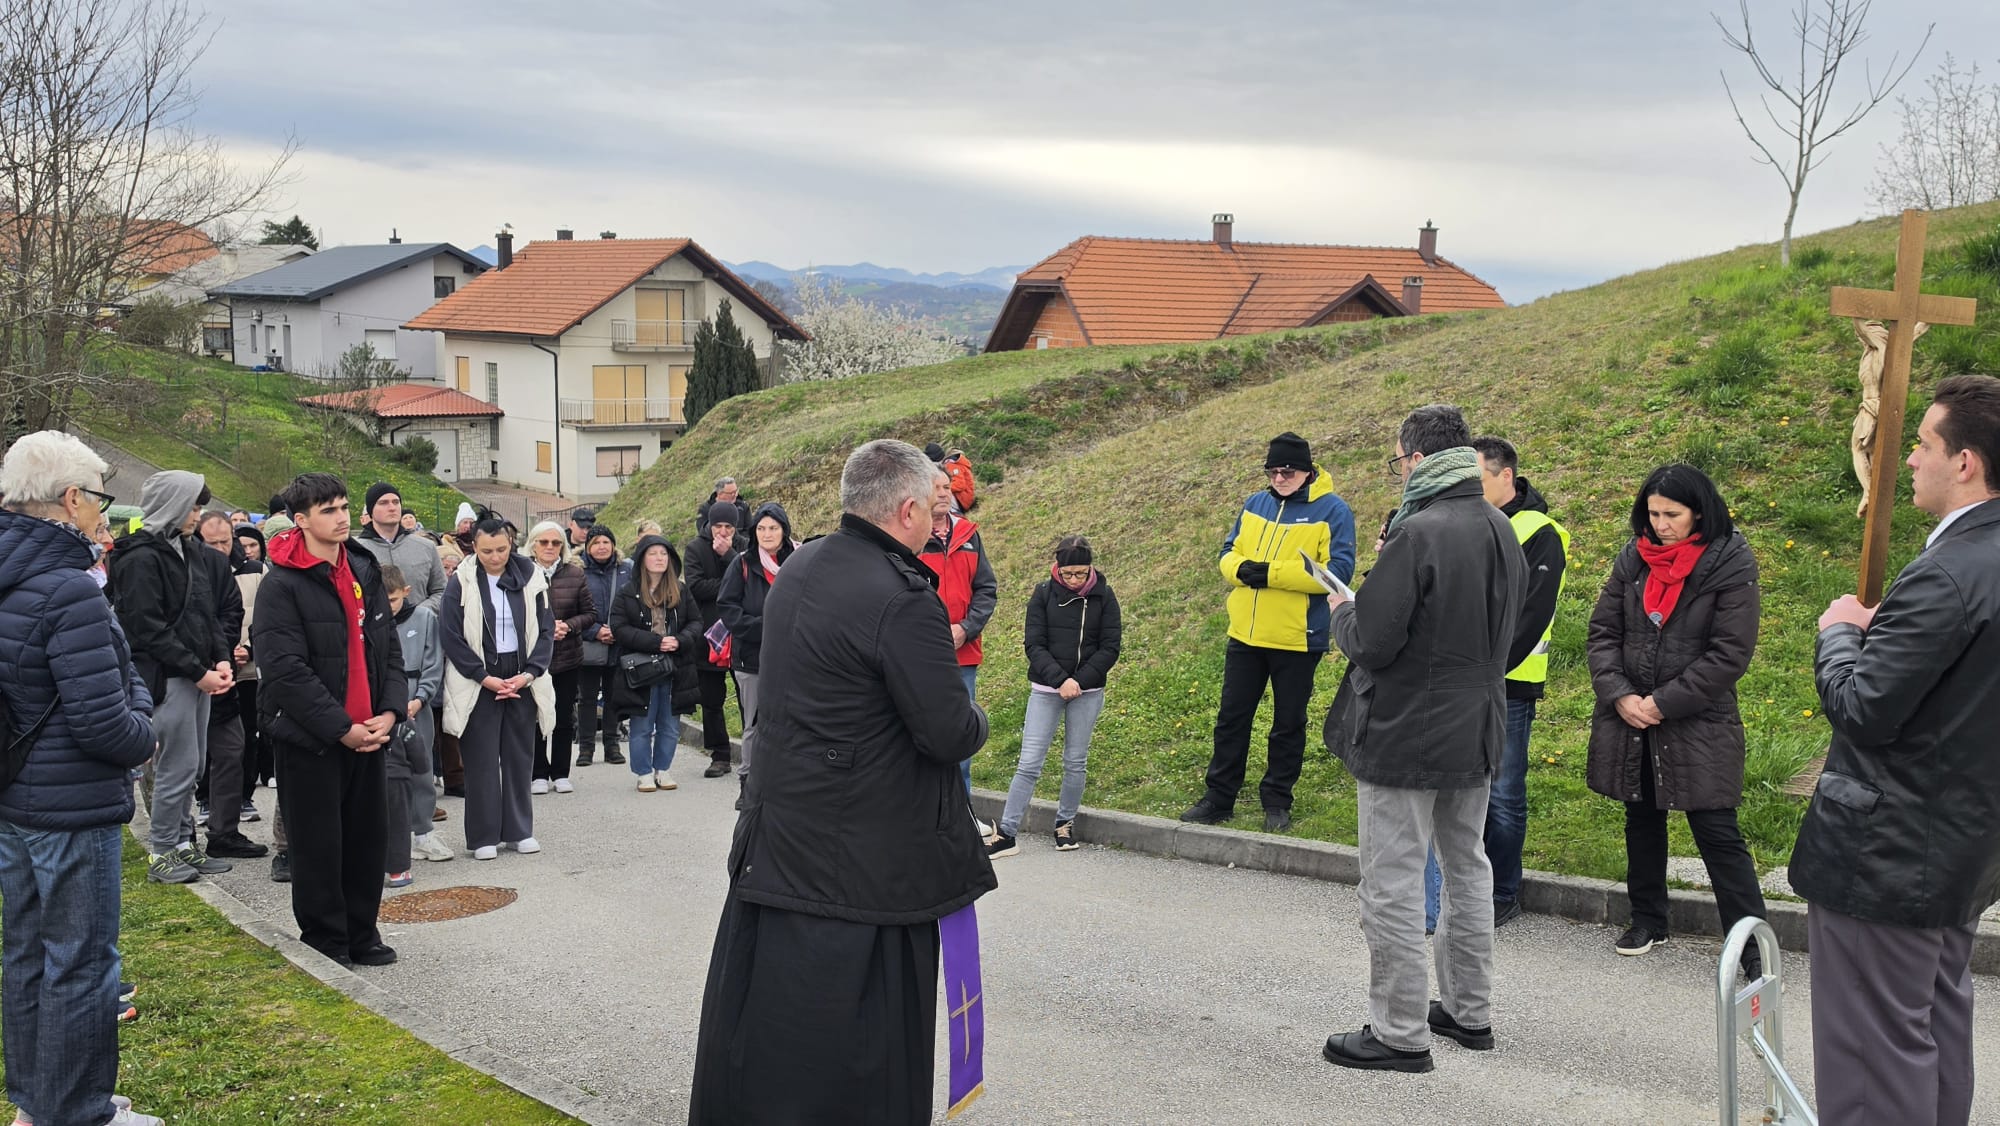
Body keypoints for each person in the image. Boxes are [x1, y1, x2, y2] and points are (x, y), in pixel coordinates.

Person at [689, 439, 992, 1125]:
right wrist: (978, 718)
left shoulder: (803, 564)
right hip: (865, 862)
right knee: (861, 1050)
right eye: (933, 505)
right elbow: (947, 731)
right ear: (908, 510)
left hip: (782, 835)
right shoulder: (904, 597)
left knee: (772, 1029)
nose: (938, 517)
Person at [1791, 374, 2000, 1126]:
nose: (1909, 459)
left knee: (1870, 1058)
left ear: (1965, 463)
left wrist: (1841, 632)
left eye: (1923, 445)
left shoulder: (1946, 574)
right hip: (1963, 843)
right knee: (1932, 1031)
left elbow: (1863, 709)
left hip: (1887, 855)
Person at [1319, 404, 1525, 1073]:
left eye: (1398, 461)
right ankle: (1469, 1010)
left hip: (1408, 728)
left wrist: (1343, 607)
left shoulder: (1418, 532)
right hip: (1479, 723)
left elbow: (1373, 643)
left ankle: (1400, 1031)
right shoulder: (1501, 525)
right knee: (1467, 868)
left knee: (1393, 881)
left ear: (1415, 459)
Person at [0, 431, 168, 1126]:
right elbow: (105, 724)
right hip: (70, 805)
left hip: (16, 798)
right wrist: (146, 730)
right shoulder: (69, 587)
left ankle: (37, 1105)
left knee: (28, 957)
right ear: (71, 499)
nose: (104, 509)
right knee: (82, 963)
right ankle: (78, 1112)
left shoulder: (13, 573)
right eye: (99, 496)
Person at [1585, 463, 1766, 975]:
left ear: (1699, 513)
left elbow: (1729, 653)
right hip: (1633, 716)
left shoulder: (1730, 562)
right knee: (1641, 817)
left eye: (1672, 515)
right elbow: (1603, 633)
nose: (1660, 525)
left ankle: (1752, 945)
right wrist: (1621, 695)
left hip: (1698, 719)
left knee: (1717, 831)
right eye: (1653, 514)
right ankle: (1648, 919)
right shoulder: (1633, 558)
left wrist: (1662, 702)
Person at [253, 472, 407, 967]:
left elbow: (389, 649)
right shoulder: (281, 584)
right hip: (313, 739)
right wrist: (342, 728)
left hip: (370, 731)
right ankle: (326, 941)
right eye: (328, 510)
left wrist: (389, 711)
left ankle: (362, 934)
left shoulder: (363, 567)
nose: (341, 518)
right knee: (318, 846)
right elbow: (285, 671)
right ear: (301, 520)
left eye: (343, 507)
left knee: (366, 842)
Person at [1422, 436, 1570, 931]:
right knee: (1459, 792)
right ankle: (1460, 890)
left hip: (1509, 683)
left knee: (1503, 794)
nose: (1468, 486)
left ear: (1506, 475)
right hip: (1458, 681)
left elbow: (1530, 616)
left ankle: (1503, 892)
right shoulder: (1465, 522)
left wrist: (1484, 669)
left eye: (1477, 476)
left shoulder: (1540, 532)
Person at [1184, 432, 1356, 833]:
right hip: (1246, 634)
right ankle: (1219, 797)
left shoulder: (1333, 510)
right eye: (1273, 471)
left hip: (1298, 638)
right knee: (1231, 719)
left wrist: (1269, 574)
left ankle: (1277, 800)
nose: (1279, 478)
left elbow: (1337, 573)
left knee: (1288, 724)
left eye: (1288, 472)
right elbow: (1228, 552)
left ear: (1308, 472)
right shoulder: (1255, 503)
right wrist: (1240, 570)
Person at [107, 470, 237, 884]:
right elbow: (147, 628)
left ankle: (183, 843)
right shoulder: (139, 558)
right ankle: (162, 852)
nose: (197, 515)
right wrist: (198, 671)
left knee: (193, 765)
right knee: (175, 768)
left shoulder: (188, 549)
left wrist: (221, 659)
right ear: (172, 505)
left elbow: (205, 612)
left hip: (197, 675)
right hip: (168, 677)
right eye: (192, 507)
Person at [989, 535, 1122, 858]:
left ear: (1090, 568)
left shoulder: (1104, 596)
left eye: (1081, 573)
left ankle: (1065, 824)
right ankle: (1007, 832)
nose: (1074, 580)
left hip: (1087, 690)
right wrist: (1061, 680)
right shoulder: (1043, 593)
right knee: (1029, 762)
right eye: (1068, 574)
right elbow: (1034, 644)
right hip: (1047, 689)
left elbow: (1110, 646)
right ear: (1057, 569)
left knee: (1075, 761)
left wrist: (1079, 681)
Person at [439, 518, 554, 860]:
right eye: (487, 551)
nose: (495, 557)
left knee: (519, 758)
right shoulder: (460, 580)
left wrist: (529, 674)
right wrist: (482, 676)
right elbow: (450, 635)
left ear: (511, 544)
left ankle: (519, 831)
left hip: (521, 677)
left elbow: (545, 630)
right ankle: (483, 835)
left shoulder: (532, 576)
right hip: (479, 679)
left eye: (501, 549)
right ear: (474, 547)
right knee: (481, 760)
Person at [916, 480, 997, 793]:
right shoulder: (912, 537)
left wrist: (966, 628)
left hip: (963, 656)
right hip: (921, 656)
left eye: (947, 486)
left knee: (961, 737)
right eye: (935, 486)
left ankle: (961, 811)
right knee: (921, 737)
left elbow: (986, 589)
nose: (943, 493)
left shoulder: (969, 535)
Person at [196, 511, 266, 861]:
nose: (221, 549)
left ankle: (224, 831)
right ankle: (178, 838)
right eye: (213, 543)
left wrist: (232, 652)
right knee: (187, 759)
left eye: (226, 541)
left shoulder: (248, 570)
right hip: (190, 674)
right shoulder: (187, 566)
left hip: (230, 672)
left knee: (232, 748)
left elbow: (237, 615)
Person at [609, 535, 701, 793]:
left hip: (676, 667)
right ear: (642, 559)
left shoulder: (681, 590)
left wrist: (679, 640)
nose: (659, 558)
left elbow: (696, 622)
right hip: (642, 669)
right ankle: (644, 772)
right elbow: (619, 627)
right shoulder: (628, 592)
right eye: (653, 553)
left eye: (664, 553)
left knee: (670, 724)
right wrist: (655, 642)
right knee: (642, 723)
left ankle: (663, 768)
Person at [718, 503, 797, 798]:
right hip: (751, 658)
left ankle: (787, 782)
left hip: (793, 657)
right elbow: (728, 608)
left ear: (784, 530)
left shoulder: (798, 560)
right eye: (761, 528)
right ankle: (748, 783)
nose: (767, 534)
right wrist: (766, 627)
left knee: (792, 721)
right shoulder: (742, 563)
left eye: (773, 528)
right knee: (754, 723)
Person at [525, 520, 597, 794]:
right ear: (533, 544)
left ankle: (561, 772)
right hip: (533, 658)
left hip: (567, 656)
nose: (550, 547)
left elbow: (590, 613)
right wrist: (544, 627)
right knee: (536, 715)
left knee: (564, 716)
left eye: (555, 543)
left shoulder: (575, 574)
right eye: (544, 542)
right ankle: (538, 773)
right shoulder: (521, 572)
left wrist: (567, 626)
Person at [682, 505, 741, 778]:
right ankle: (719, 755)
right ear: (710, 524)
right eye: (718, 526)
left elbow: (750, 578)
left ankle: (753, 753)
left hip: (740, 633)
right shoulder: (695, 548)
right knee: (711, 699)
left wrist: (729, 556)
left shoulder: (743, 546)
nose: (723, 532)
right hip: (708, 634)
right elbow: (696, 587)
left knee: (747, 697)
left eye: (729, 527)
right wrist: (731, 583)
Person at [574, 525, 630, 767]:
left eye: (606, 542)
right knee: (587, 698)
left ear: (613, 545)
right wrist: (595, 631)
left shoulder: (626, 570)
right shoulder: (577, 571)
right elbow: (571, 609)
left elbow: (633, 604)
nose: (601, 547)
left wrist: (618, 630)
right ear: (588, 547)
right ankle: (586, 747)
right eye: (596, 542)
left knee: (613, 696)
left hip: (618, 643)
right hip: (588, 644)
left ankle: (612, 745)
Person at [355, 481, 447, 613]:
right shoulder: (356, 551)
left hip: (418, 624)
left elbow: (441, 590)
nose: (392, 508)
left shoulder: (426, 547)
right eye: (383, 503)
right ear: (371, 510)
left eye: (396, 502)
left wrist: (419, 612)